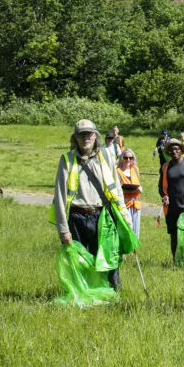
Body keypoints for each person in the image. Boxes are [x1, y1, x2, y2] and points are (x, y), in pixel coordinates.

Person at [52, 119, 131, 290]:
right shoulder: (67, 160)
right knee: (78, 262)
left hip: (102, 216)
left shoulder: (106, 157)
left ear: (95, 136)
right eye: (81, 134)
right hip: (76, 217)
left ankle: (108, 293)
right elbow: (59, 196)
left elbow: (116, 189)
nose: (86, 137)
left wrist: (125, 217)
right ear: (75, 138)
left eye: (89, 134)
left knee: (106, 258)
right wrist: (63, 230)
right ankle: (82, 295)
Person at [116, 148, 143, 238]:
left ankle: (134, 250)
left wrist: (140, 188)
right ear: (121, 158)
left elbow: (138, 183)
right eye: (126, 157)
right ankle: (126, 249)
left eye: (130, 158)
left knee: (136, 227)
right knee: (128, 227)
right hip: (125, 204)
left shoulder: (135, 169)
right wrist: (135, 190)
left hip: (136, 204)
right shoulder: (117, 171)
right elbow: (117, 189)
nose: (128, 160)